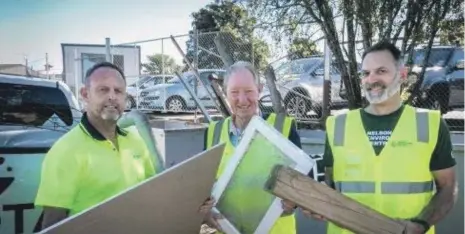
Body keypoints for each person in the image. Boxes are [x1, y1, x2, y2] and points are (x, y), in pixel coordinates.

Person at [286, 41, 458, 234]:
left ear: (402, 74)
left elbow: (448, 188)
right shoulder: (338, 125)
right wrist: (317, 204)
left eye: (381, 71)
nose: (371, 79)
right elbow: (329, 185)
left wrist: (420, 225)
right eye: (366, 73)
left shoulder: (430, 124)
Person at [34, 62, 214, 230]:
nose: (112, 96)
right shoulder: (65, 151)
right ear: (85, 94)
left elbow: (154, 193)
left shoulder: (135, 140)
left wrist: (194, 202)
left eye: (118, 91)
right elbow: (52, 225)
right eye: (103, 90)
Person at [203, 61, 302, 234]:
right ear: (225, 93)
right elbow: (204, 187)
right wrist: (206, 211)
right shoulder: (213, 133)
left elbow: (302, 187)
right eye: (234, 92)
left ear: (260, 89)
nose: (242, 100)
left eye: (249, 91)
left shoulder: (284, 129)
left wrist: (293, 202)